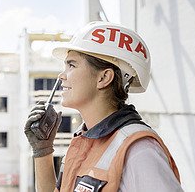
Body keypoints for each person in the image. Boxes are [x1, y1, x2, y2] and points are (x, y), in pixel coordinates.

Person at [24, 21, 183, 192]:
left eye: (71, 65)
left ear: (104, 78)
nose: (62, 76)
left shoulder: (139, 152)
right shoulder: (82, 144)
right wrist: (43, 151)